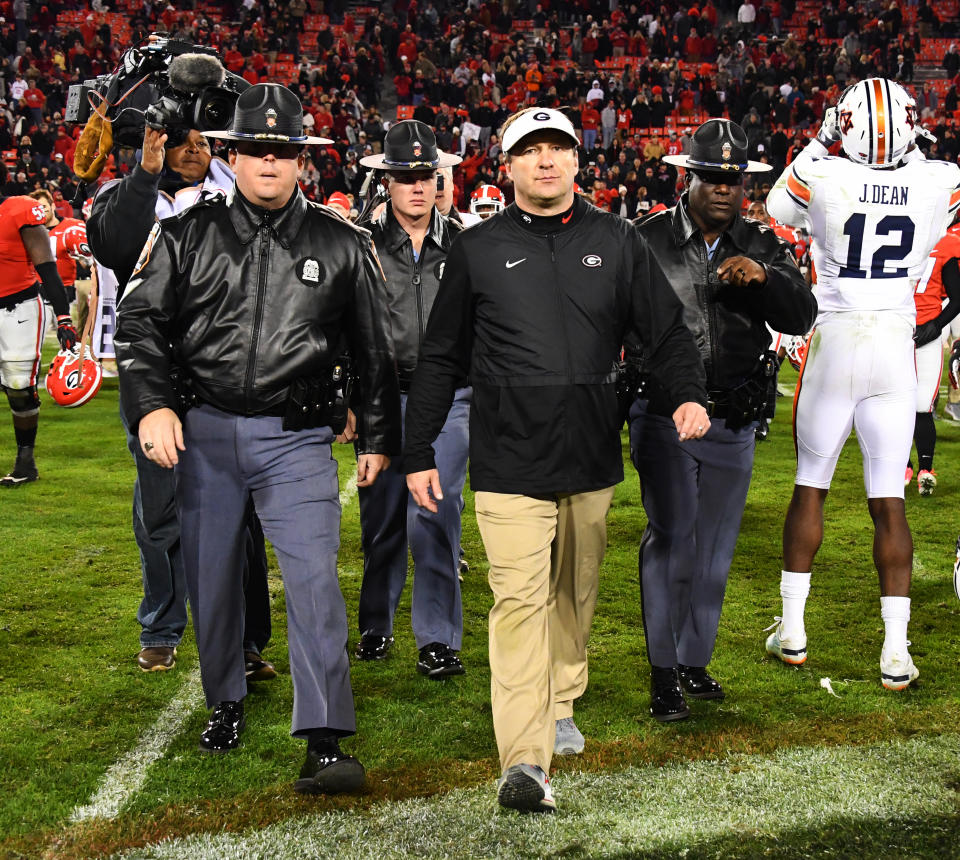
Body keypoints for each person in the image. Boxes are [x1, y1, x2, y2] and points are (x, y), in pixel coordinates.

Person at [403, 107, 710, 813]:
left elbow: (663, 333)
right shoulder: (477, 249)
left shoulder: (618, 239)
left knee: (573, 595)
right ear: (505, 166)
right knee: (518, 603)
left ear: (578, 161)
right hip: (508, 462)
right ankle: (525, 760)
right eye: (530, 151)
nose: (546, 162)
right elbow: (441, 357)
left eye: (559, 149)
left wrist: (688, 394)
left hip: (591, 455)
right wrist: (419, 448)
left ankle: (564, 692)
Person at [114, 83, 400, 790]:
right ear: (230, 155)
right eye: (256, 151)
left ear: (303, 161)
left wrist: (376, 439)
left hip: (297, 436)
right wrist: (151, 405)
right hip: (203, 432)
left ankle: (326, 738)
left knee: (312, 583)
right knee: (211, 584)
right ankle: (225, 702)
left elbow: (375, 350)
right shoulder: (184, 234)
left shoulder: (342, 242)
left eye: (284, 152)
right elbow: (140, 324)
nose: (270, 163)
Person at [765, 78, 960, 690]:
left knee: (810, 485)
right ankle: (896, 652)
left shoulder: (825, 175)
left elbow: (778, 208)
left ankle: (793, 630)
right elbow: (922, 185)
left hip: (835, 335)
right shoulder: (940, 177)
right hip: (895, 345)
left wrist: (825, 139)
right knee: (888, 497)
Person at [629, 120, 815, 724]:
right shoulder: (646, 239)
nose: (722, 189)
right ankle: (662, 673)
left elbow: (803, 312)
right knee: (673, 533)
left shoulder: (762, 244)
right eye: (711, 177)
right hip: (663, 411)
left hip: (734, 412)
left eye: (733, 179)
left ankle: (691, 661)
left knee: (713, 550)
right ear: (688, 177)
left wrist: (765, 280)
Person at [87, 126, 276, 678]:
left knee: (242, 510)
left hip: (223, 368)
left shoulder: (235, 191)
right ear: (157, 145)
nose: (196, 149)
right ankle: (162, 626)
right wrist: (144, 176)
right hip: (151, 370)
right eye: (182, 140)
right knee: (160, 508)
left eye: (203, 140)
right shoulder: (124, 194)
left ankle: (245, 638)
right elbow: (116, 246)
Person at [353, 121, 469, 677]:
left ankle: (438, 637)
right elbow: (342, 327)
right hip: (381, 394)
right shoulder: (361, 244)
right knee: (380, 518)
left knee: (436, 511)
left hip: (448, 398)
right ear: (388, 182)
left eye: (426, 175)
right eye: (406, 177)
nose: (418, 187)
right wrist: (350, 400)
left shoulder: (467, 243)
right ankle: (376, 623)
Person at [0, 195, 78, 486]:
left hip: (18, 309)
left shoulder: (18, 210)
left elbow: (47, 267)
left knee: (19, 386)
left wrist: (64, 318)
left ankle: (25, 460)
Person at [906, 219, 960, 494]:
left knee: (922, 403)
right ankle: (903, 464)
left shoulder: (947, 243)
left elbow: (957, 297)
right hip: (896, 330)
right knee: (894, 403)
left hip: (927, 329)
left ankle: (926, 467)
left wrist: (936, 325)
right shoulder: (902, 235)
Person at [29, 188, 91, 308]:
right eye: (36, 209)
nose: (40, 212)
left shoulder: (73, 226)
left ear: (52, 206)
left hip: (69, 289)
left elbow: (90, 256)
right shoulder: (29, 233)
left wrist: (83, 259)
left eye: (43, 207)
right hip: (39, 294)